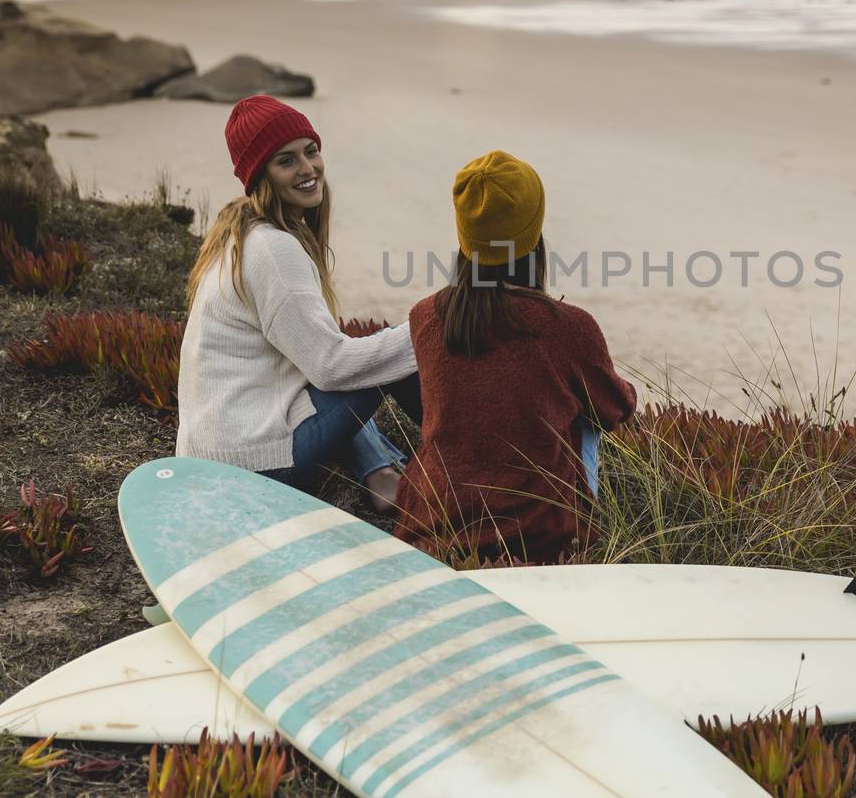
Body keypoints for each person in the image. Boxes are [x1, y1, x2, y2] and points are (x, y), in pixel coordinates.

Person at [175, 94, 420, 511]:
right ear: (261, 175)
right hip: (254, 465)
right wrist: (423, 330)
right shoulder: (272, 250)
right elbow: (330, 367)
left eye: (311, 152)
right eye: (286, 161)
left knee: (375, 352)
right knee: (395, 350)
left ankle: (379, 472)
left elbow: (316, 364)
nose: (308, 169)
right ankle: (479, 468)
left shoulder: (237, 235)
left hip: (216, 454)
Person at [394, 150, 638, 562]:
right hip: (539, 534)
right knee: (586, 416)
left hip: (432, 523)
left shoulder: (426, 317)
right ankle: (584, 543)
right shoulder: (568, 326)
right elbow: (617, 410)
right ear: (534, 233)